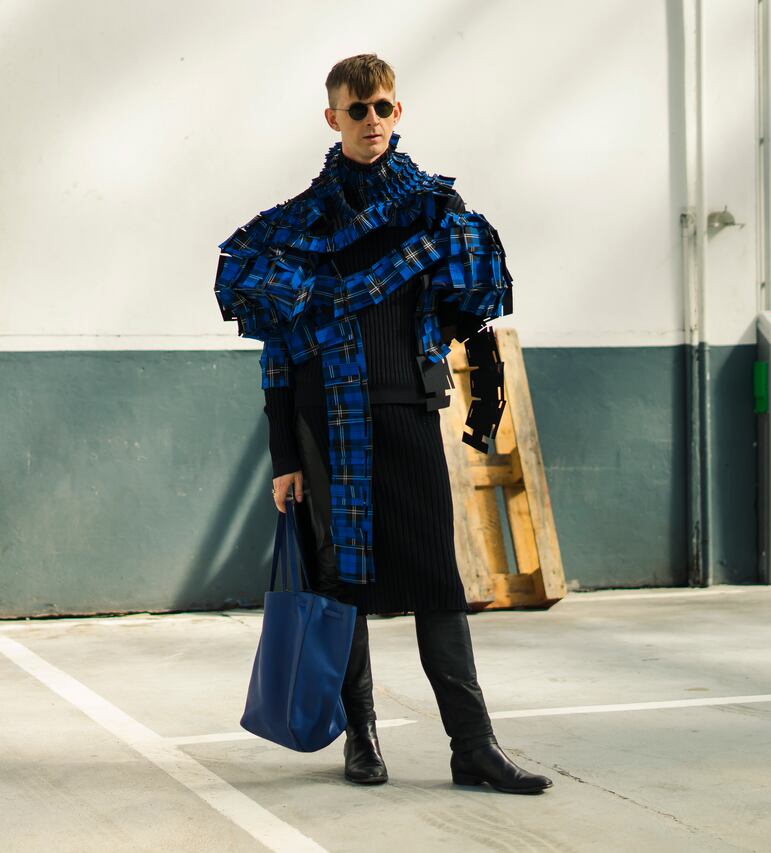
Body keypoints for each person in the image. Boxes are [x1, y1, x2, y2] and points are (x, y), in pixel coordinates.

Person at [213, 54, 552, 794]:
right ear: (331, 118)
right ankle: (360, 739)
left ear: (400, 114)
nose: (372, 122)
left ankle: (474, 745)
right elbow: (277, 352)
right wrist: (283, 456)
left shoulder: (435, 212)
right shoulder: (295, 225)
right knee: (343, 585)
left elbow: (475, 310)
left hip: (404, 410)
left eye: (384, 108)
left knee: (437, 581)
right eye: (357, 110)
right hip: (324, 425)